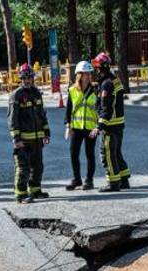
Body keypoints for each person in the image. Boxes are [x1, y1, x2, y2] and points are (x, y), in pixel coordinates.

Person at [8, 63, 50, 203]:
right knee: (23, 168)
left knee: (38, 166)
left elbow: (42, 115)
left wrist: (46, 132)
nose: (27, 80)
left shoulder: (36, 93)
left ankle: (35, 189)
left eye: (29, 78)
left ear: (32, 78)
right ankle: (21, 194)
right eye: (24, 78)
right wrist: (16, 138)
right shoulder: (16, 95)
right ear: (20, 78)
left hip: (37, 138)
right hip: (24, 140)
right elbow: (12, 119)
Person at [93, 52, 130, 192]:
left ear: (101, 68)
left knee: (107, 153)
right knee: (116, 153)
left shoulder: (107, 85)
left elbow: (106, 107)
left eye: (96, 67)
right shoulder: (115, 80)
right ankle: (124, 179)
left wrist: (100, 125)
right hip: (119, 124)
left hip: (110, 125)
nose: (95, 70)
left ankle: (113, 183)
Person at [64, 60, 97, 190]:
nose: (88, 76)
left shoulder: (96, 89)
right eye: (85, 74)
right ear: (79, 75)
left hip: (90, 128)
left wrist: (98, 126)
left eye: (89, 74)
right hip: (76, 127)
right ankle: (76, 179)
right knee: (73, 154)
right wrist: (68, 126)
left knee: (90, 154)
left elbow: (99, 108)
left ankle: (89, 180)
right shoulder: (72, 90)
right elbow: (68, 109)